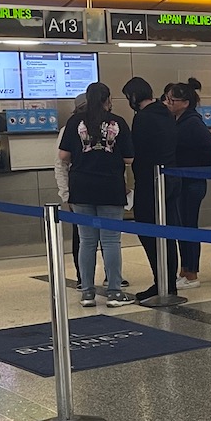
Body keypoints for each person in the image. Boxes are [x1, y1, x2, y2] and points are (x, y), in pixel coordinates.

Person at [58, 82, 136, 308]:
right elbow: (129, 159)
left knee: (87, 241)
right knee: (111, 241)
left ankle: (87, 293)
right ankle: (113, 292)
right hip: (110, 186)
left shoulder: (74, 122)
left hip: (81, 186)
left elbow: (63, 155)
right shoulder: (118, 122)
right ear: (107, 99)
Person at [123, 76, 180, 300]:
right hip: (171, 178)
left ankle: (161, 281)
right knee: (167, 233)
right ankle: (169, 281)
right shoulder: (166, 113)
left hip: (150, 181)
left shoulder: (143, 118)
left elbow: (136, 151)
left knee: (148, 231)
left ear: (134, 97)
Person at [167, 81, 211, 287]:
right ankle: (185, 268)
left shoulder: (193, 123)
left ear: (185, 102)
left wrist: (195, 166)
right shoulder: (179, 121)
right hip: (182, 181)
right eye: (168, 99)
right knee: (182, 226)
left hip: (192, 182)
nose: (169, 103)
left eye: (173, 99)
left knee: (189, 226)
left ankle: (192, 273)